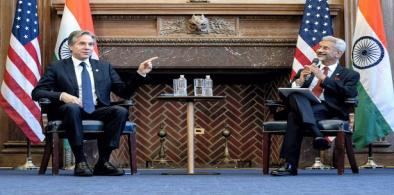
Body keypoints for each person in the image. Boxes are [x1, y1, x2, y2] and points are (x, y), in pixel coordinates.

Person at [32, 30, 158, 176]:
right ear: (71, 46)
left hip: (97, 110)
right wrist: (61, 95)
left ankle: (103, 162)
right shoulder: (57, 67)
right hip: (68, 112)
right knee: (72, 108)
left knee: (120, 111)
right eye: (82, 44)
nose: (87, 47)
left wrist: (140, 73)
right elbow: (37, 92)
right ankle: (80, 161)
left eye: (90, 44)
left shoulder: (104, 67)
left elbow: (124, 92)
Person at [270, 36, 360, 176]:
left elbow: (349, 93)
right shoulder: (306, 71)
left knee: (294, 116)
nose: (320, 50)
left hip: (330, 110)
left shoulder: (349, 74)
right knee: (295, 97)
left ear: (338, 53)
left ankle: (289, 165)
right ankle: (317, 134)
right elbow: (285, 96)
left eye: (325, 48)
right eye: (320, 47)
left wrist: (323, 78)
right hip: (307, 107)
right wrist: (299, 82)